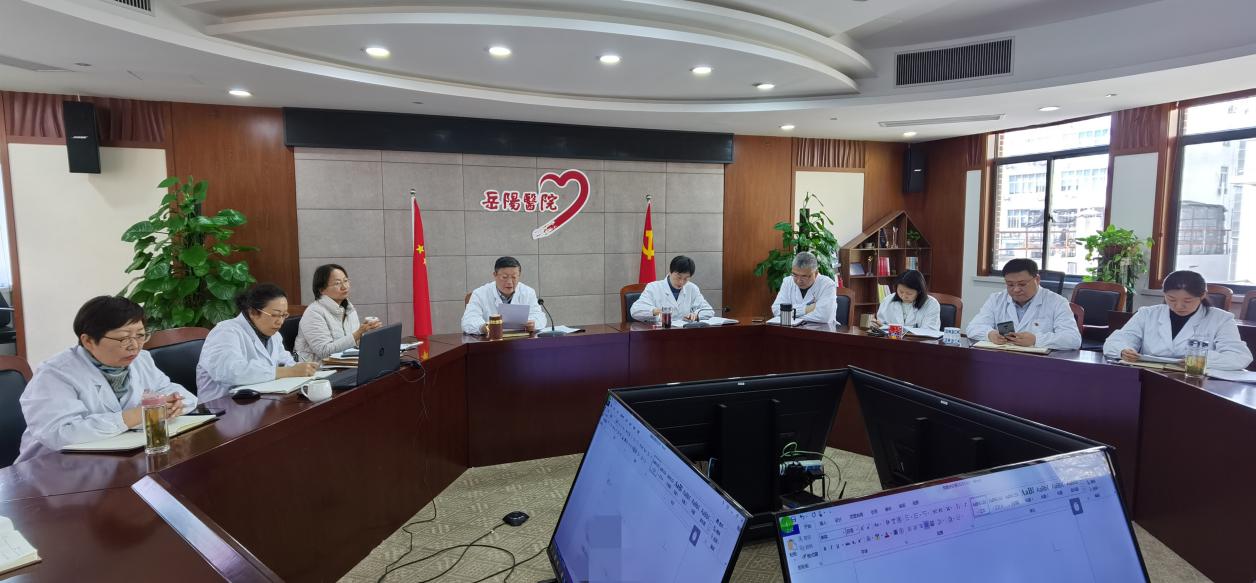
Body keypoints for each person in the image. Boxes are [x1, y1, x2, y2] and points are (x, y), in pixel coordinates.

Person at [17, 296, 197, 462]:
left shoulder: (141, 359)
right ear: (88, 341)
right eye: (123, 338)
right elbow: (61, 434)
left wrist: (175, 403)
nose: (134, 346)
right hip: (57, 466)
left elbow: (173, 392)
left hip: (122, 458)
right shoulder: (55, 373)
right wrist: (137, 415)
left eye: (140, 335)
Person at [1104, 270, 1252, 370]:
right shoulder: (1147, 314)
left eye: (1188, 300)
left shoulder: (1221, 319)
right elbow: (1115, 341)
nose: (1179, 306)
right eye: (1171, 299)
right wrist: (1123, 350)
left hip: (1196, 382)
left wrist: (1199, 360)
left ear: (1202, 295)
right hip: (1150, 376)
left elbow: (1239, 357)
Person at [196, 283, 318, 401]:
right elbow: (231, 372)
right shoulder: (225, 332)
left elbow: (286, 361)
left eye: (284, 315)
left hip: (262, 400)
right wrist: (287, 371)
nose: (280, 322)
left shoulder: (274, 335)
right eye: (275, 315)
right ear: (253, 312)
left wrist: (303, 368)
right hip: (221, 406)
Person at [966, 258, 1081, 350]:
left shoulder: (1057, 302)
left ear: (1037, 279)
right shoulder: (996, 299)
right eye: (1010, 285)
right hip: (1002, 359)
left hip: (1040, 363)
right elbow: (972, 328)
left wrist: (1036, 340)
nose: (1016, 290)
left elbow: (1073, 339)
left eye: (1022, 284)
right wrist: (989, 334)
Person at [295, 264, 382, 362]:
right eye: (337, 283)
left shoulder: (349, 308)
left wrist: (367, 332)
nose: (344, 286)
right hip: (316, 367)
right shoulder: (313, 313)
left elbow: (354, 343)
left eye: (345, 281)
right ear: (321, 290)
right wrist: (358, 333)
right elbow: (324, 352)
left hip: (344, 363)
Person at [461, 256, 547, 335]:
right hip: (490, 341)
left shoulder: (528, 292)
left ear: (519, 275)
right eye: (504, 277)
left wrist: (533, 324)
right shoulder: (480, 294)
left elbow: (539, 317)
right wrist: (484, 327)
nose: (509, 282)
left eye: (514, 277)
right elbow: (468, 320)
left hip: (520, 340)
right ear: (495, 275)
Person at [630, 255, 715, 323]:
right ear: (670, 272)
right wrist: (655, 311)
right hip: (660, 334)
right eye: (678, 277)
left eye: (686, 278)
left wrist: (696, 315)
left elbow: (709, 311)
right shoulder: (653, 287)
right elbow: (635, 310)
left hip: (685, 333)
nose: (681, 282)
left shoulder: (692, 288)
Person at [771, 251, 838, 325]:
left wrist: (790, 315)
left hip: (823, 330)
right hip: (792, 329)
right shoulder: (788, 281)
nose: (799, 281)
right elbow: (776, 310)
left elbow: (824, 316)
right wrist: (807, 309)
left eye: (804, 276)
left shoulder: (827, 284)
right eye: (795, 275)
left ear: (815, 273)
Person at [870, 270, 941, 330]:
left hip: (919, 342)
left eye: (909, 293)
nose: (904, 296)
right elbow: (881, 324)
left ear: (919, 291)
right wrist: (877, 325)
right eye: (901, 292)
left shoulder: (931, 304)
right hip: (891, 340)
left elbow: (930, 331)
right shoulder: (888, 300)